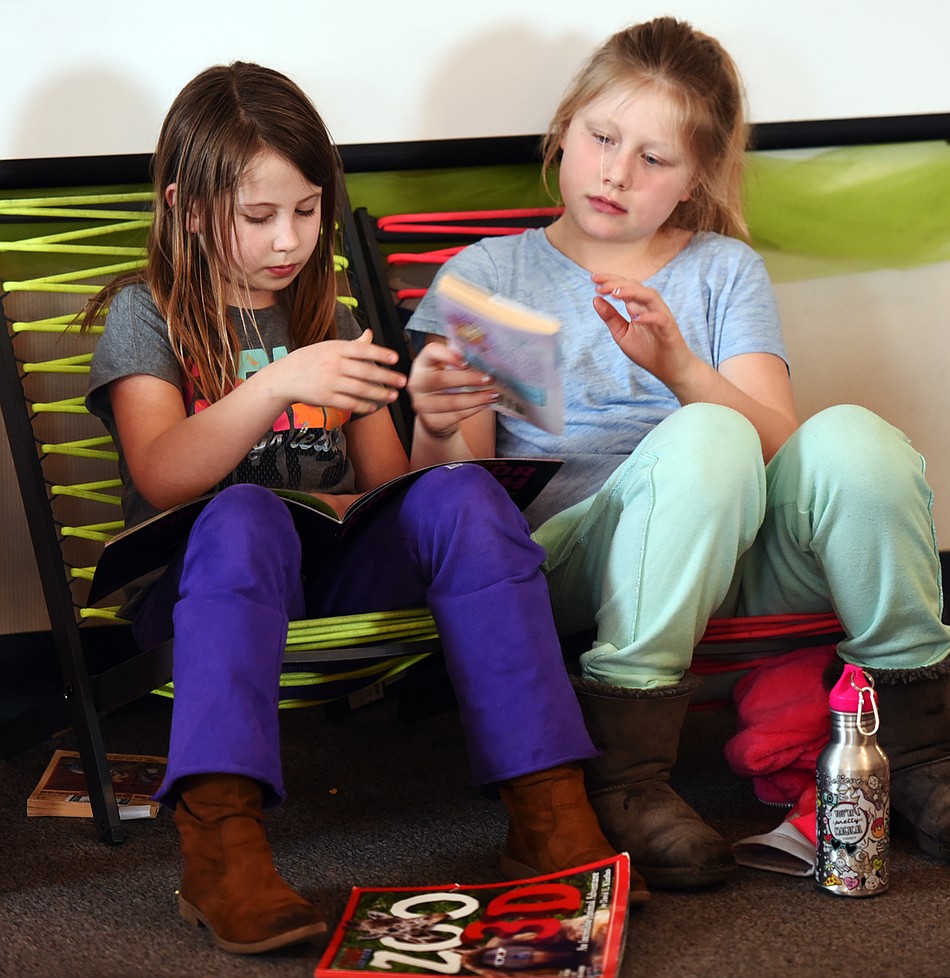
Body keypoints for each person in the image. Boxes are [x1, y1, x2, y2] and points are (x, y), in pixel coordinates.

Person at [404, 17, 950, 891]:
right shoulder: (486, 278)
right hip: (572, 563)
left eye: (655, 159)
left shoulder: (720, 270)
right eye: (602, 138)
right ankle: (628, 776)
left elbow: (785, 445)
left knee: (854, 436)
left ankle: (922, 752)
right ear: (563, 130)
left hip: (729, 545)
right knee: (703, 436)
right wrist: (434, 419)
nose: (618, 173)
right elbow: (458, 507)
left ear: (698, 177)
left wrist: (679, 367)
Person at [82, 62, 640, 956]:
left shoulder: (328, 315)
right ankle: (222, 848)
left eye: (307, 210)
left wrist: (441, 428)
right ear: (188, 206)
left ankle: (548, 812)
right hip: (203, 590)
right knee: (244, 514)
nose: (289, 240)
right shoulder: (148, 316)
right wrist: (279, 384)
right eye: (258, 216)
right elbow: (163, 475)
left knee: (460, 494)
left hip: (329, 579)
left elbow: (389, 493)